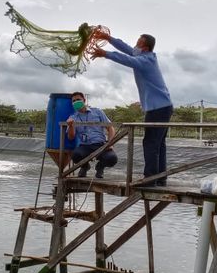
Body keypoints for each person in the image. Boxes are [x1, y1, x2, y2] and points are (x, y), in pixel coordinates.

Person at [91, 32, 173, 186]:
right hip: (162, 106)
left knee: (151, 143)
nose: (135, 44)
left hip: (158, 109)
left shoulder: (145, 60)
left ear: (145, 46)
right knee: (159, 144)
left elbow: (126, 59)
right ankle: (161, 178)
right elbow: (126, 48)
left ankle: (150, 179)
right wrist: (108, 38)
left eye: (138, 42)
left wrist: (105, 54)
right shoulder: (141, 55)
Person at [66, 92, 118, 178]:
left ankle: (100, 167)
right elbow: (71, 137)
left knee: (112, 159)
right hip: (85, 145)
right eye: (74, 101)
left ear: (84, 100)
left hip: (100, 144)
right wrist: (71, 125)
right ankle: (85, 166)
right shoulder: (73, 117)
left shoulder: (97, 112)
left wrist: (110, 143)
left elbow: (110, 128)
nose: (76, 102)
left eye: (78, 99)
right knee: (75, 155)